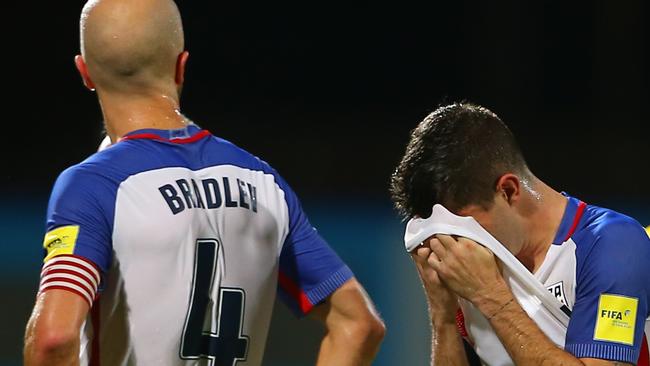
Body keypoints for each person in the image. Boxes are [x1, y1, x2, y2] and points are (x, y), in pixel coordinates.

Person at [23, 0, 385, 365]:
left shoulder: (94, 185)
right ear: (181, 66)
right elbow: (360, 325)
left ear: (85, 73)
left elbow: (54, 340)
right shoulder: (263, 181)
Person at [390, 102, 650, 365]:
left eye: (464, 226)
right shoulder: (470, 269)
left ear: (508, 191)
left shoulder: (612, 245)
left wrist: (492, 297)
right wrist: (443, 314)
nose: (457, 243)